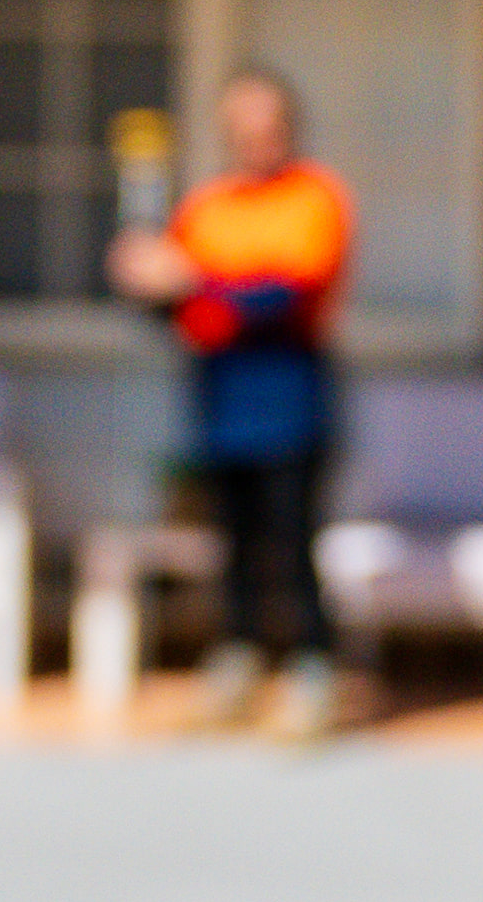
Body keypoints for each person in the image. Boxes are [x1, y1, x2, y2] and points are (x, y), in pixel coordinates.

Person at [106, 61, 355, 734]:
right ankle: (237, 666)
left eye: (265, 124)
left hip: (291, 393)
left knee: (295, 540)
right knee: (233, 543)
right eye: (239, 126)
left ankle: (312, 671)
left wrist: (191, 281)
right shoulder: (207, 207)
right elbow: (173, 305)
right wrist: (142, 277)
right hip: (220, 398)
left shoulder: (314, 198)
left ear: (287, 127)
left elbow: (282, 296)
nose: (253, 138)